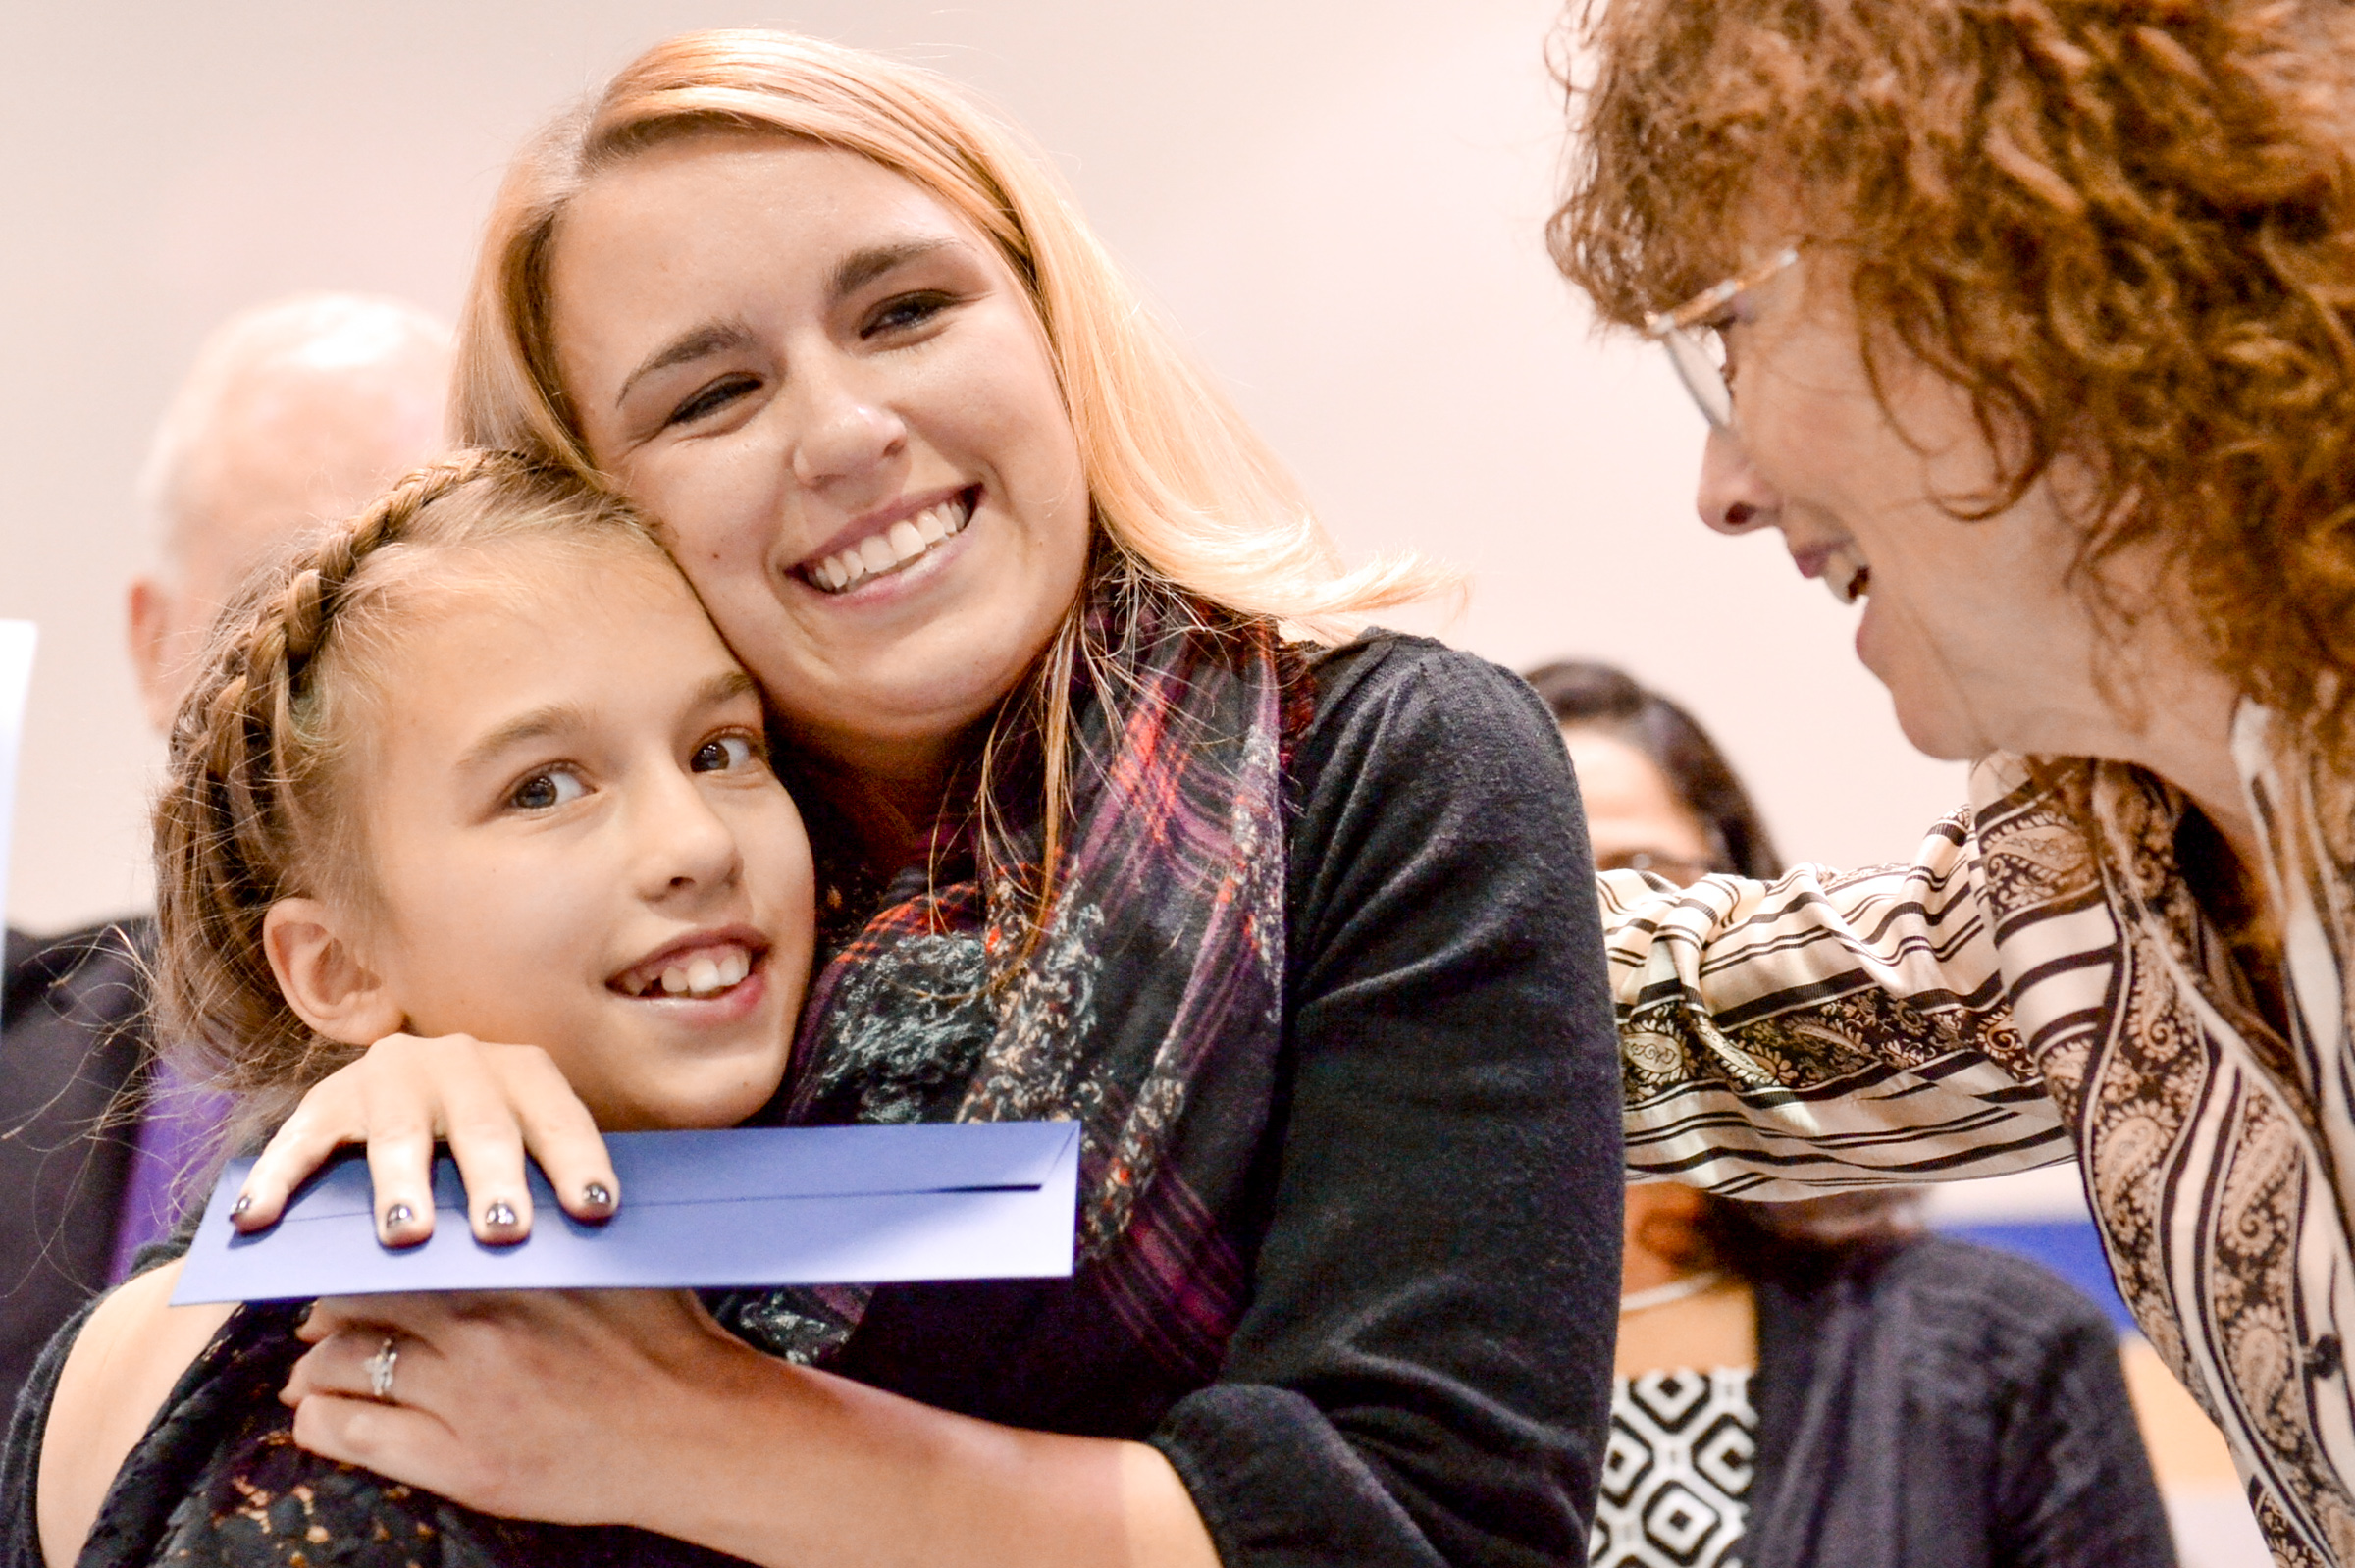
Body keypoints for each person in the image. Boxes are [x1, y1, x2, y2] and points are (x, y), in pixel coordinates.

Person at [21, 30, 1621, 1568]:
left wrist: (700, 1424)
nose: (851, 432)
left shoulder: (1374, 771)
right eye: (709, 395)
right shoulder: (615, 894)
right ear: (591, 499)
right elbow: (102, 1448)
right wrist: (359, 1162)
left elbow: (1430, 1524)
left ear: (1047, 316)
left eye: (908, 308)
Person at [1546, 2, 2355, 1562]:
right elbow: (1610, 1019)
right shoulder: (2087, 873)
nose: (1719, 489)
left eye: (1731, 332)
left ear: (2021, 262)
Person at [10, 451, 816, 1568]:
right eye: (543, 786)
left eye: (721, 750)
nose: (697, 843)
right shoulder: (256, 1392)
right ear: (335, 965)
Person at [1528, 659, 2174, 1568]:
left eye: (1636, 877)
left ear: (1736, 903)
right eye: (1521, 883)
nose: (1583, 942)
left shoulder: (2001, 1348)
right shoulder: (1358, 1348)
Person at [0, 294, 451, 1415]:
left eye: (424, 600)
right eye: (280, 596)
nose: (349, 678)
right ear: (156, 644)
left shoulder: (646, 1070)